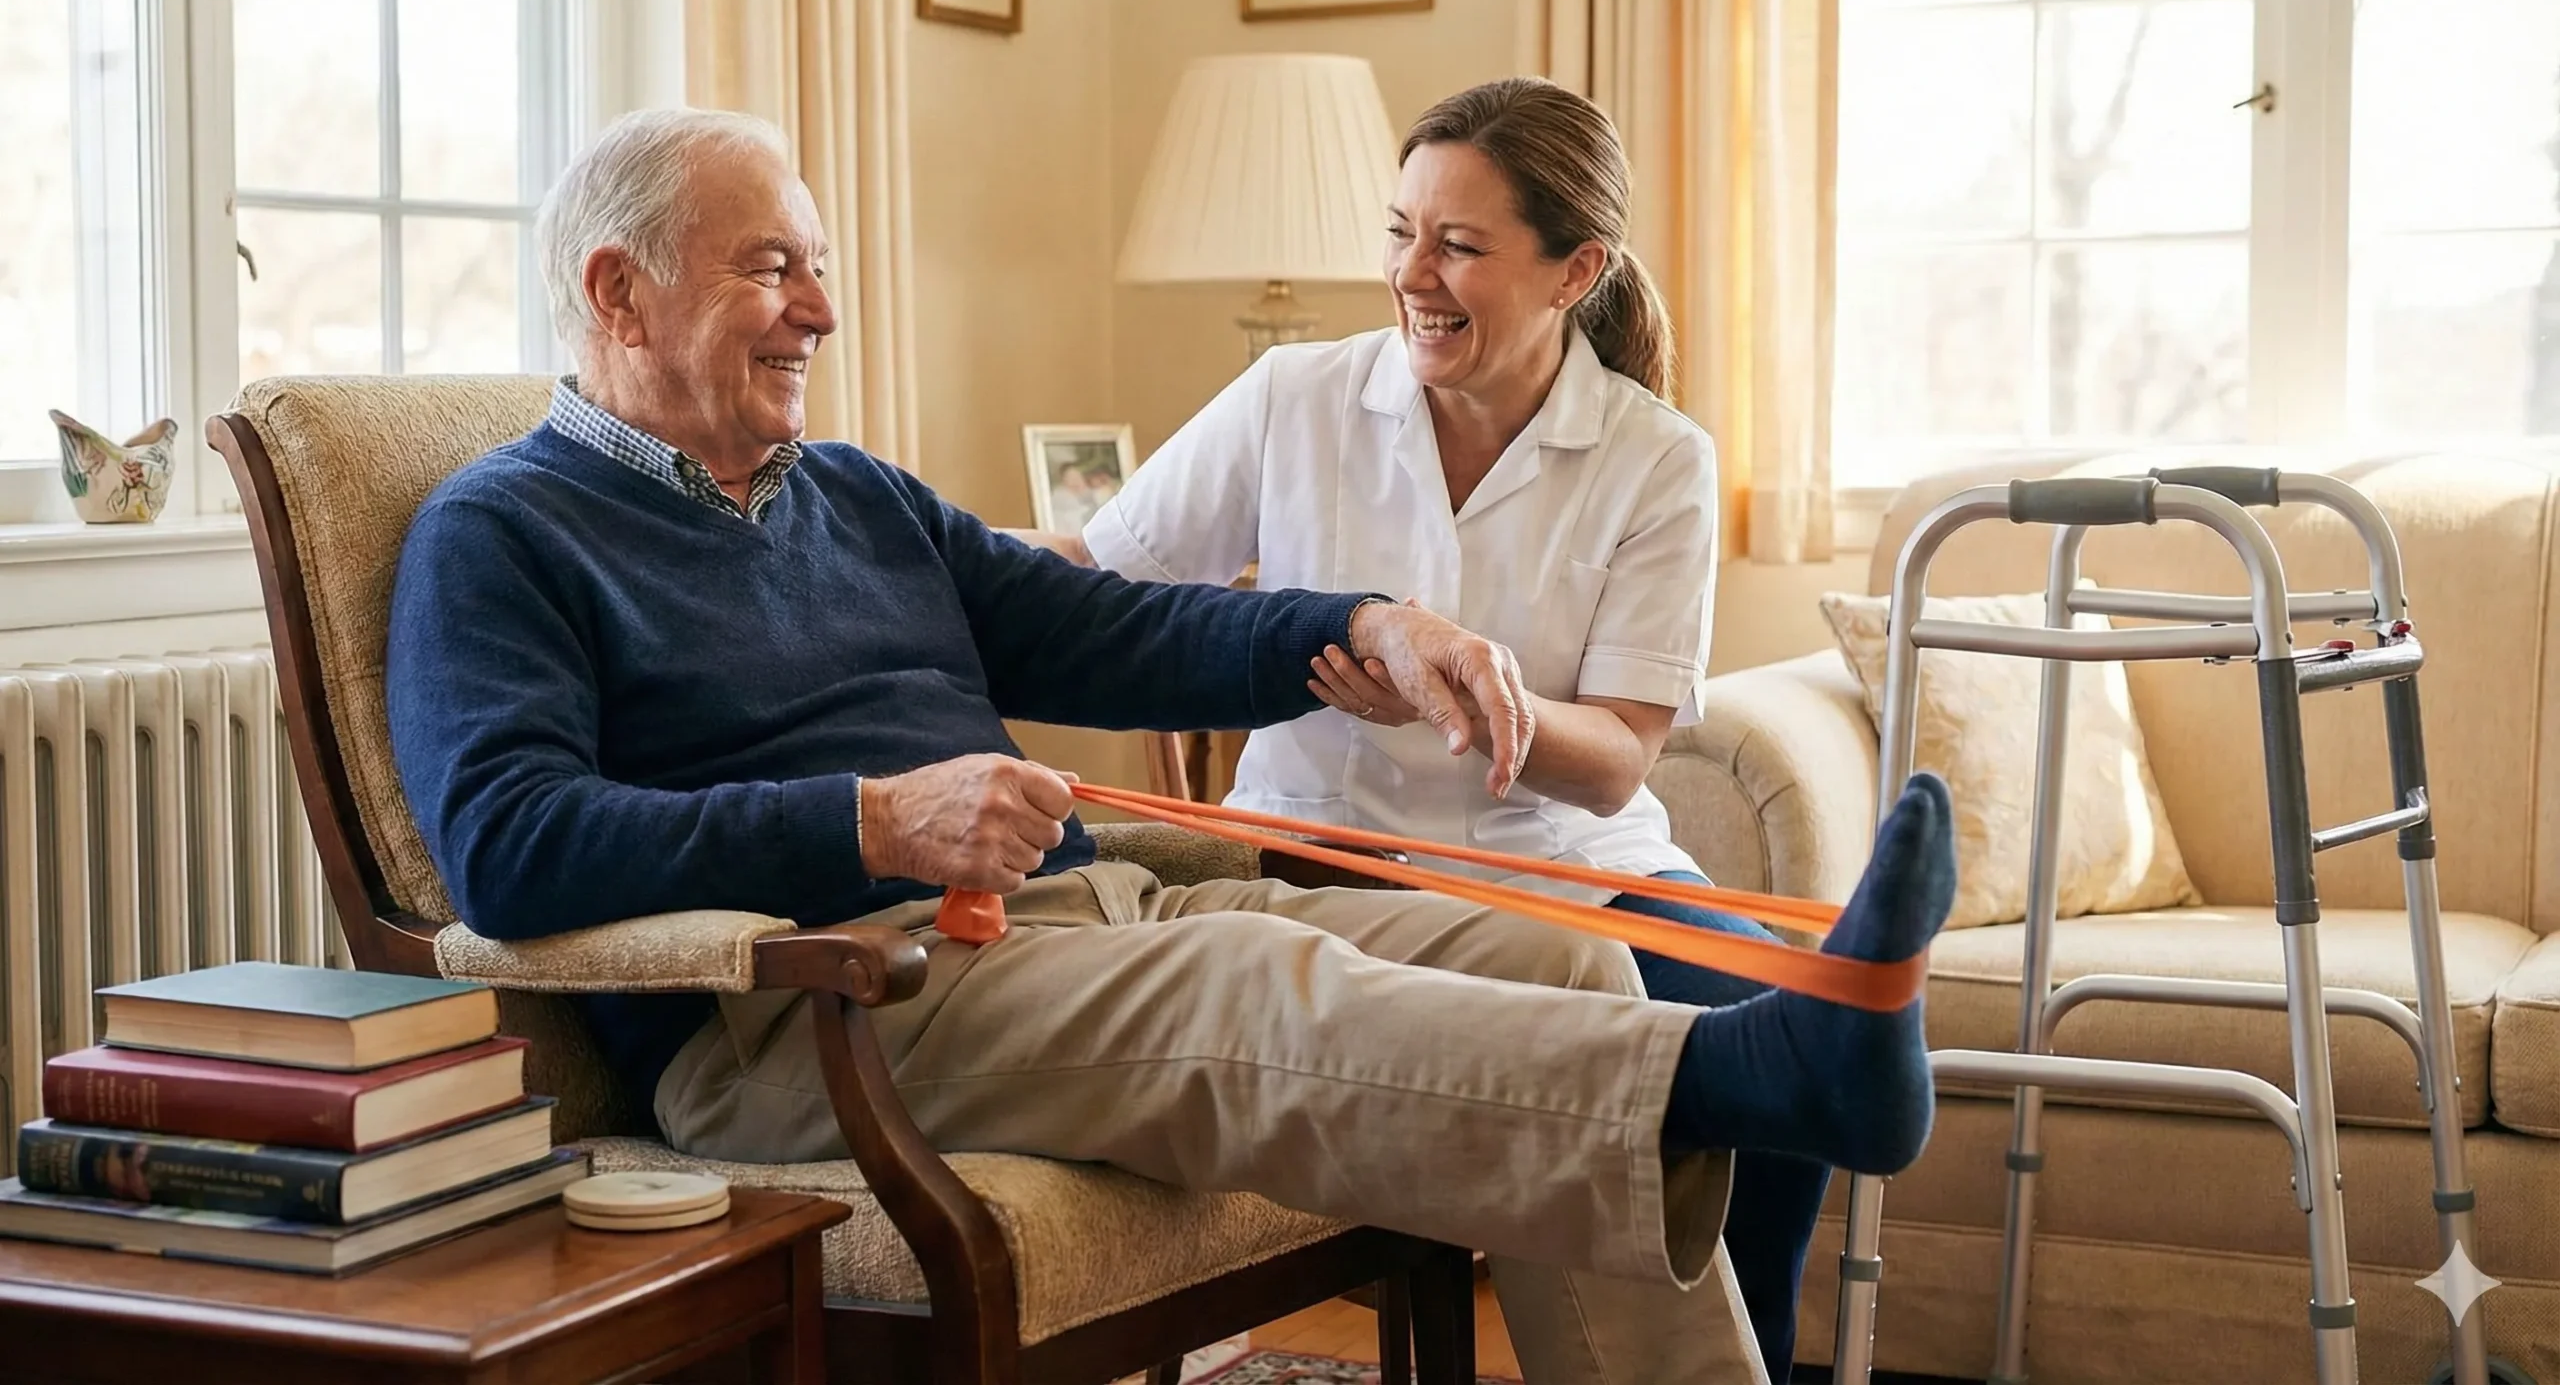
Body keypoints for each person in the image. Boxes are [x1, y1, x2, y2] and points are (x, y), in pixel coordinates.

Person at [383, 105, 1956, 1385]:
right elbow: (509, 850)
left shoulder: (851, 494)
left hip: (1057, 926)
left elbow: (1122, 625)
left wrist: (1368, 624)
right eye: (770, 267)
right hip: (824, 1011)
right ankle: (1771, 1071)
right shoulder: (504, 532)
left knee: (1557, 963)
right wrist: (870, 822)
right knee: (1251, 982)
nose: (820, 307)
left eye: (816, 263)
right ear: (618, 293)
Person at [1019, 78, 1831, 1372]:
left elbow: (1617, 759)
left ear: (1578, 270)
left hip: (1562, 868)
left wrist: (1471, 694)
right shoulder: (1295, 397)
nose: (1415, 275)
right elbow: (1094, 576)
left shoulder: (1656, 458)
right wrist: (912, 554)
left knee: (1775, 1041)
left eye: (1459, 245)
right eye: (1401, 233)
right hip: (1310, 857)